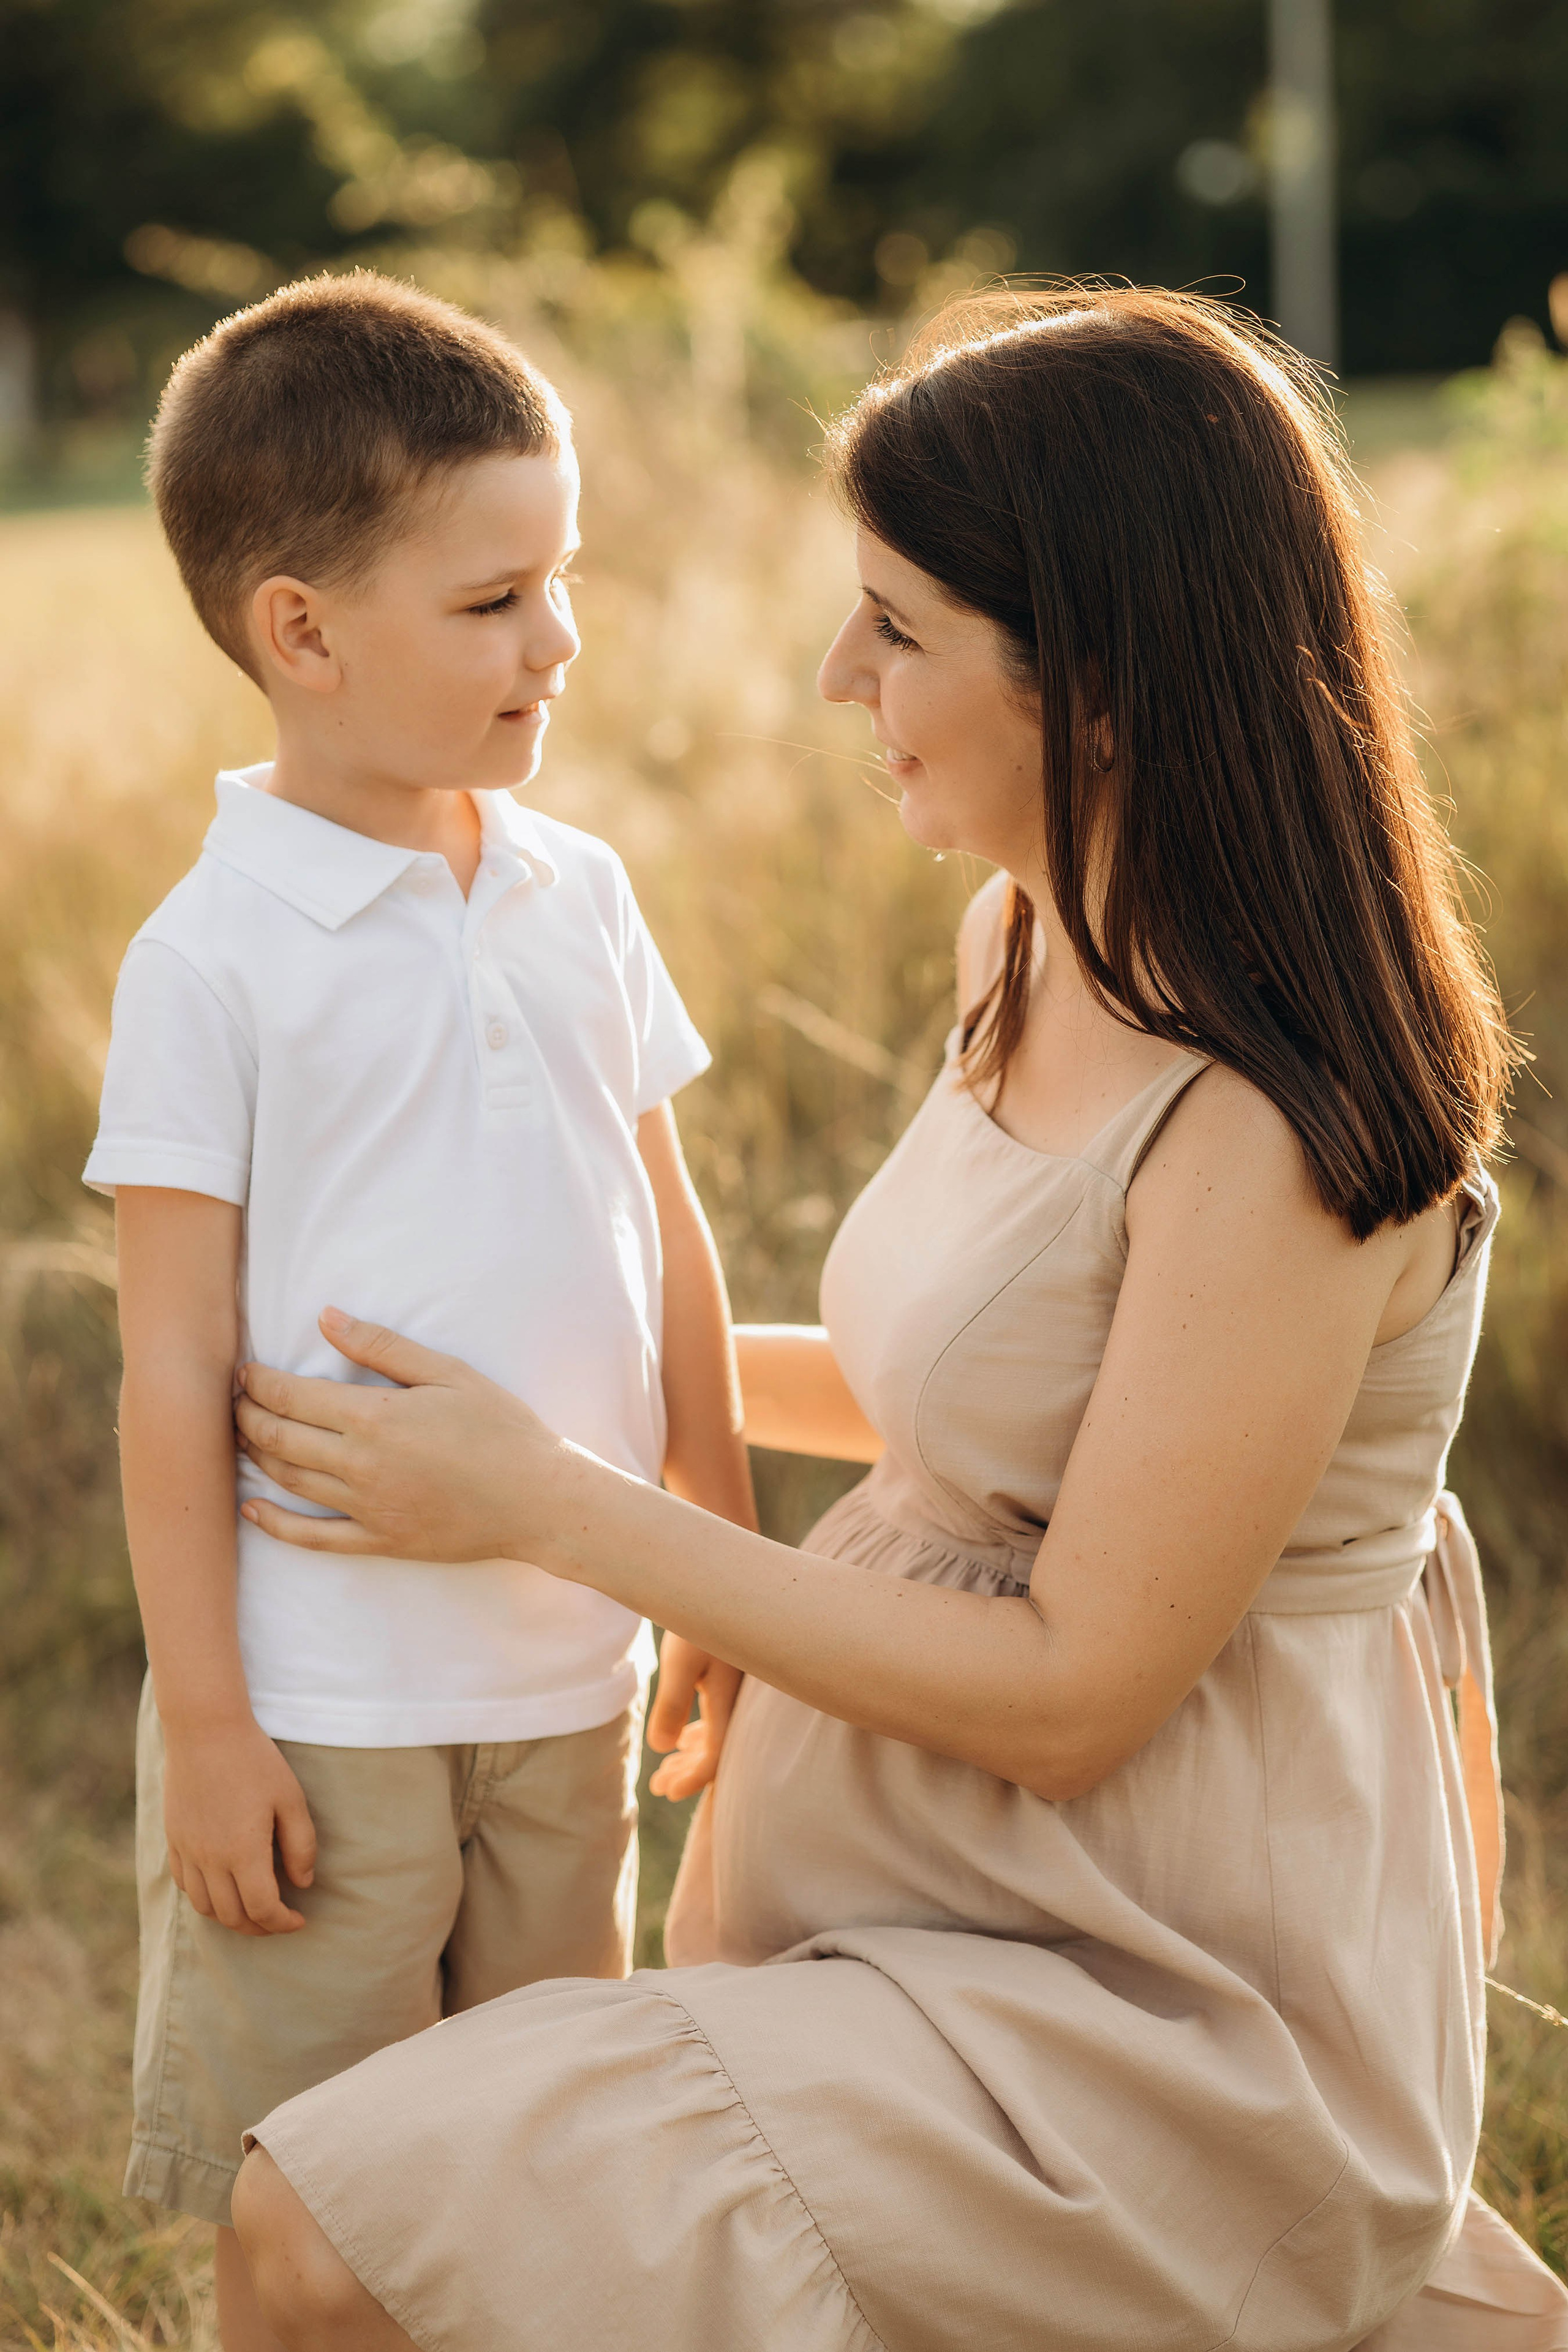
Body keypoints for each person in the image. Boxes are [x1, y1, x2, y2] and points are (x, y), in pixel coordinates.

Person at [229, 290, 1568, 2350]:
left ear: (1100, 683)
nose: (839, 674)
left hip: (1157, 1995)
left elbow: (1073, 1690)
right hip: (941, 1909)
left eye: (901, 627)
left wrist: (563, 1507)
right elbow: (978, 1391)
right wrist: (534, 1378)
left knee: (318, 2236)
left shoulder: (1273, 1130)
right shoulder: (1027, 933)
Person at [85, 271, 753, 2352]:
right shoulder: (214, 964)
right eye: (495, 601)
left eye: (564, 582)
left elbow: (669, 1241)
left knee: (549, 2166)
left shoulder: (580, 893)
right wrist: (210, 1723)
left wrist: (715, 1571)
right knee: (331, 2197)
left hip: (571, 1674)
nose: (556, 640)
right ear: (302, 629)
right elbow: (168, 1366)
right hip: (326, 1715)